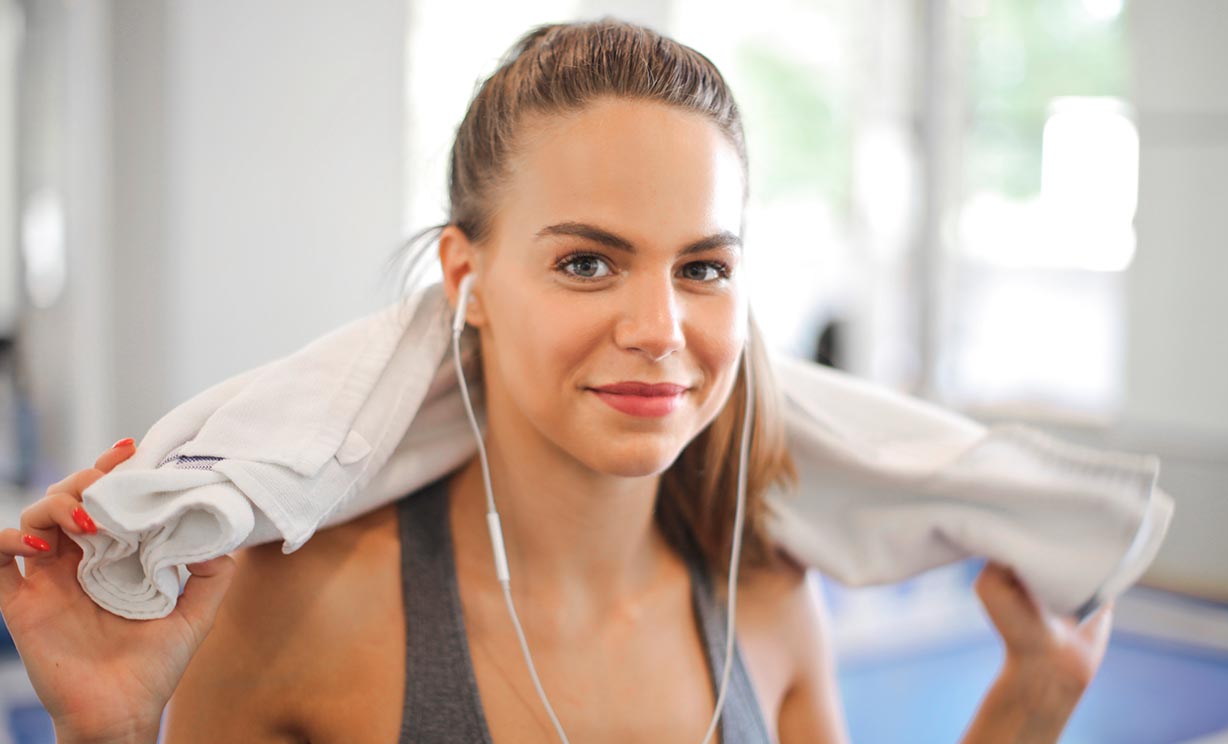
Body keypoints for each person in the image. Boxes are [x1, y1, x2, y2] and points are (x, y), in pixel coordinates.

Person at [0, 18, 1114, 744]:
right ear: (466, 277)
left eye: (703, 267)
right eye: (587, 261)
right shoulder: (307, 607)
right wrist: (109, 732)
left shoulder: (767, 603)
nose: (657, 328)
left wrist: (1032, 698)